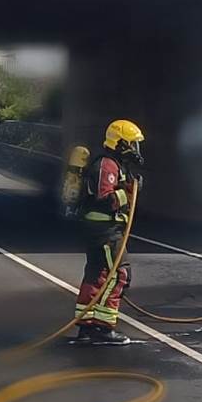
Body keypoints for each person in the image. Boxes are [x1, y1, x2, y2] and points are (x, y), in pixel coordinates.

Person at [69, 119, 144, 347]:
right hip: (105, 231)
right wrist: (130, 191)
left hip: (100, 230)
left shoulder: (114, 164)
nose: (135, 149)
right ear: (120, 143)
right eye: (132, 143)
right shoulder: (108, 165)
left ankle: (87, 325)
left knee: (96, 275)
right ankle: (103, 327)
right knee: (119, 274)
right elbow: (105, 199)